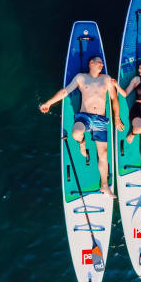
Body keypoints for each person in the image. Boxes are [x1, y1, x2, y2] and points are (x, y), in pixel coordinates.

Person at [40, 56, 124, 198]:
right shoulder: (81, 78)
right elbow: (65, 92)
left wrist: (116, 117)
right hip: (84, 116)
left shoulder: (106, 79)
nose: (102, 65)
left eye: (102, 63)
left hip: (100, 120)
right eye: (99, 62)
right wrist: (48, 103)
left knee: (103, 154)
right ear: (91, 63)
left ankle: (104, 185)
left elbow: (114, 99)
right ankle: (82, 142)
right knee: (76, 133)